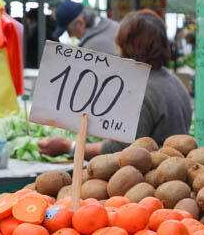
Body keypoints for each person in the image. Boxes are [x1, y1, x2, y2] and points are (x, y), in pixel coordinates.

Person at [38, 10, 192, 158]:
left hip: (151, 173)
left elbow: (121, 150)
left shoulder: (141, 92)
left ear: (127, 46)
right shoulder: (174, 82)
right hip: (173, 170)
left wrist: (68, 147)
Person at [53, 1, 119, 56]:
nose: (70, 36)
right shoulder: (115, 26)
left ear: (80, 23)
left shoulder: (90, 49)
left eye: (69, 31)